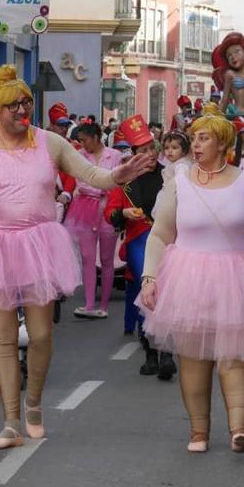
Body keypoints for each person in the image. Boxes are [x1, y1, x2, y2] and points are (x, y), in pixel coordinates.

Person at [0, 65, 154, 450]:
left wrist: (121, 174)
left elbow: (95, 176)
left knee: (41, 335)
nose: (21, 110)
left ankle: (34, 403)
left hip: (38, 243)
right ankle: (10, 422)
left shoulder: (49, 143)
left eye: (25, 102)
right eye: (12, 105)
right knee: (3, 340)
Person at [139, 103, 244, 454]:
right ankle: (198, 432)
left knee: (235, 356)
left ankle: (239, 428)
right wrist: (149, 277)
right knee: (192, 356)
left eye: (203, 138)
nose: (196, 144)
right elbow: (160, 234)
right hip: (187, 276)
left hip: (236, 278)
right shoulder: (180, 183)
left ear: (222, 143)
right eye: (194, 138)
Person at [104, 116, 173, 378]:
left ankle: (166, 350)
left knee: (167, 293)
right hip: (139, 239)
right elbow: (109, 213)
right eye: (143, 151)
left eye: (152, 149)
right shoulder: (123, 179)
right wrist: (124, 212)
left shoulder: (170, 175)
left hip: (169, 239)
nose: (150, 154)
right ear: (133, 154)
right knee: (150, 289)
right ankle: (151, 352)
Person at [66, 122, 123, 319]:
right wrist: (101, 187)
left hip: (108, 210)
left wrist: (100, 188)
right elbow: (80, 183)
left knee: (107, 259)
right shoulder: (80, 157)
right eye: (80, 141)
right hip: (85, 209)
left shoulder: (115, 156)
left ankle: (104, 306)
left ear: (96, 137)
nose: (83, 145)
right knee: (88, 258)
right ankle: (89, 304)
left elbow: (117, 182)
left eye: (85, 140)